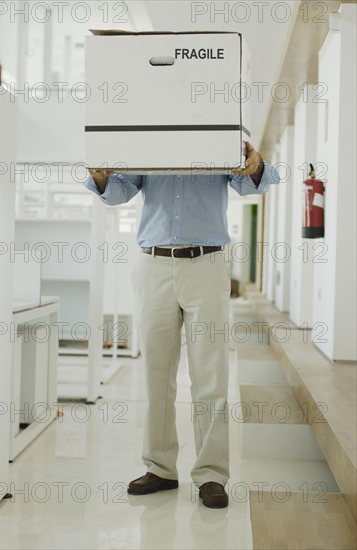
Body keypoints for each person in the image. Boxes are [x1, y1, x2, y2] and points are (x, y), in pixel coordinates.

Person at [85, 142, 280, 508]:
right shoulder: (153, 132)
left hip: (206, 266)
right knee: (156, 373)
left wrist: (255, 166)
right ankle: (159, 467)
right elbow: (119, 192)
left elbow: (254, 183)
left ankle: (210, 474)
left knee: (211, 374)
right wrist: (100, 177)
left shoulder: (220, 131)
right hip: (153, 264)